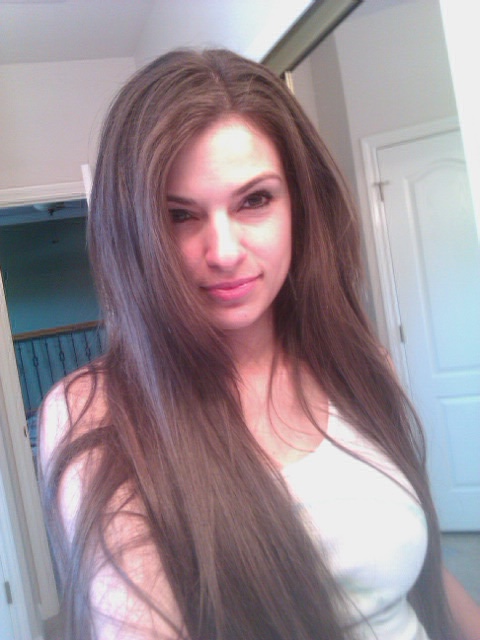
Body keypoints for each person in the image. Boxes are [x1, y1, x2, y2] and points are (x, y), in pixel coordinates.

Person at [39, 49, 480, 640]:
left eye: (254, 200)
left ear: (299, 203)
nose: (223, 252)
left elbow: (420, 577)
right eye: (178, 215)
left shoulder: (359, 363)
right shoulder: (98, 410)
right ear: (135, 233)